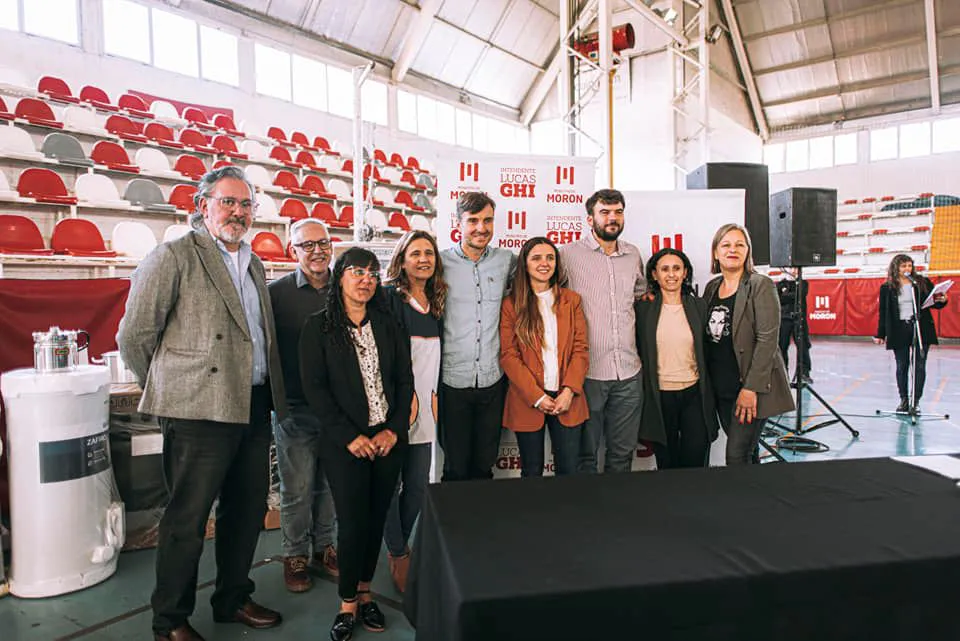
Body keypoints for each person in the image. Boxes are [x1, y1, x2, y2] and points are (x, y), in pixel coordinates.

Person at [118, 165, 285, 641]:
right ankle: (169, 620)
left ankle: (232, 598)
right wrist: (172, 386)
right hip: (197, 411)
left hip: (252, 405)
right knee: (187, 519)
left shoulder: (253, 262)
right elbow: (134, 335)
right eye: (227, 202)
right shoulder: (172, 256)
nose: (238, 212)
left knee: (246, 510)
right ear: (203, 205)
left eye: (245, 203)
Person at [298, 248, 413, 641]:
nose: (365, 279)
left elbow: (404, 382)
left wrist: (393, 430)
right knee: (352, 523)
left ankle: (365, 593)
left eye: (372, 273)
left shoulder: (388, 324)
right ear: (340, 277)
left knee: (377, 519)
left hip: (387, 441)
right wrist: (351, 437)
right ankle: (347, 603)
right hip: (344, 445)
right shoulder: (319, 328)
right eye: (356, 272)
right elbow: (315, 391)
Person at [268, 218, 338, 593]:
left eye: (322, 243)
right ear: (291, 251)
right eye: (306, 245)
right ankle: (294, 555)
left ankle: (324, 547)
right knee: (296, 489)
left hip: (337, 412)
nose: (316, 251)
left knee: (328, 487)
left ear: (332, 245)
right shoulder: (276, 294)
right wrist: (279, 404)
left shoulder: (344, 289)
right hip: (295, 410)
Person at [559, 189, 645, 474]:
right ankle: (588, 515)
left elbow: (640, 294)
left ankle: (616, 514)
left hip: (629, 373)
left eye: (618, 212)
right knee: (586, 455)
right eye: (605, 212)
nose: (612, 218)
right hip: (588, 373)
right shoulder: (567, 255)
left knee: (621, 455)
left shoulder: (633, 255)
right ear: (589, 219)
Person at [382, 230, 446, 593]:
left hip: (429, 406)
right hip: (397, 406)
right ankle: (398, 552)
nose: (423, 259)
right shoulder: (391, 298)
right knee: (390, 484)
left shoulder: (436, 300)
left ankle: (398, 547)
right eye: (415, 253)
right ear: (402, 259)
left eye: (429, 253)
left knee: (419, 485)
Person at [439, 192, 517, 481]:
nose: (481, 228)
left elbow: (544, 274)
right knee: (455, 466)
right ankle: (453, 526)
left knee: (485, 464)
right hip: (452, 380)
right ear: (457, 223)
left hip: (492, 380)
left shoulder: (507, 260)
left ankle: (480, 525)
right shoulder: (438, 262)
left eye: (487, 220)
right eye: (473, 221)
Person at [702, 223, 794, 465]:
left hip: (750, 388)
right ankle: (758, 499)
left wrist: (750, 389)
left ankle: (741, 502)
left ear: (747, 251)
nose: (732, 250)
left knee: (736, 455)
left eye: (739, 245)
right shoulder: (712, 288)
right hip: (722, 388)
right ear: (715, 252)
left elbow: (768, 341)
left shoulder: (759, 285)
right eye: (726, 245)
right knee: (748, 453)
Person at [500, 236, 589, 477]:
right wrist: (537, 396)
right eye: (536, 258)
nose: (544, 263)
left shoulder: (572, 300)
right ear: (525, 264)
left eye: (550, 257)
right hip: (528, 398)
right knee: (531, 471)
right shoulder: (511, 304)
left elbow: (580, 349)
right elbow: (509, 355)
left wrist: (569, 390)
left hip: (567, 398)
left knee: (569, 470)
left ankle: (566, 516)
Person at [635, 248, 718, 469]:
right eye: (664, 269)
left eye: (676, 268)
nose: (671, 274)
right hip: (660, 397)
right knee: (667, 463)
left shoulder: (699, 306)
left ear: (685, 273)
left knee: (695, 459)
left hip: (694, 394)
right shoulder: (643, 309)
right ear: (654, 274)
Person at [874, 254, 948, 413]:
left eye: (909, 265)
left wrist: (942, 300)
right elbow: (883, 311)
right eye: (903, 266)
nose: (907, 269)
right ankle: (904, 400)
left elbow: (933, 303)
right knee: (902, 366)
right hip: (899, 329)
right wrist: (881, 334)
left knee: (919, 367)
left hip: (921, 328)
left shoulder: (920, 282)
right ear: (895, 268)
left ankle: (916, 401)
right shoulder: (887, 287)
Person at [776, 268, 813, 384]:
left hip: (799, 319)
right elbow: (779, 298)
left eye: (796, 268)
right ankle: (782, 373)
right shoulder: (781, 283)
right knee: (782, 346)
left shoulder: (803, 283)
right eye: (792, 268)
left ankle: (803, 373)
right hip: (784, 319)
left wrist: (786, 294)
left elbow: (799, 295)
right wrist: (788, 295)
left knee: (803, 346)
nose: (794, 270)